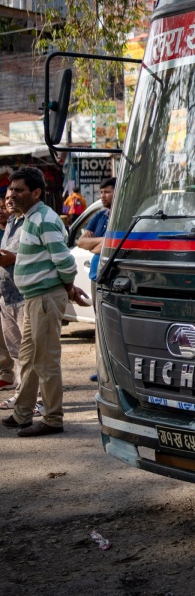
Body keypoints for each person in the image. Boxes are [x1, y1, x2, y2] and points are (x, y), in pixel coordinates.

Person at [0, 168, 89, 437]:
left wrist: (68, 287)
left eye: (19, 190)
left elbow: (64, 261)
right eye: (11, 190)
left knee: (45, 360)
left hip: (44, 298)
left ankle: (52, 418)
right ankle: (22, 413)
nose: (12, 195)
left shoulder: (44, 220)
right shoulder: (28, 218)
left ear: (36, 192)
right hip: (34, 298)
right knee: (27, 358)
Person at [76, 176, 115, 303]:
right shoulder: (100, 216)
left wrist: (95, 244)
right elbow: (81, 242)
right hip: (95, 276)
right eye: (101, 192)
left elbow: (114, 244)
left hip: (110, 277)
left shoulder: (120, 218)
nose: (102, 196)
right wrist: (103, 241)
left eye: (107, 192)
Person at [0, 192, 18, 392]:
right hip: (4, 292)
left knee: (22, 346)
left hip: (18, 294)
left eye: (3, 206)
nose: (0, 211)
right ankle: (5, 374)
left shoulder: (18, 230)